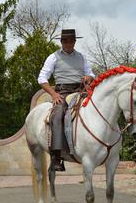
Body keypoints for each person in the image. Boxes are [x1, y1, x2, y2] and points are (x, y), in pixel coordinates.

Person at [37, 29, 94, 171]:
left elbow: (90, 73)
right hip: (62, 92)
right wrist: (53, 94)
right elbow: (42, 79)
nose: (69, 43)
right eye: (66, 41)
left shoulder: (81, 57)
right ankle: (56, 157)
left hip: (81, 91)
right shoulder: (54, 57)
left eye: (71, 40)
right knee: (57, 115)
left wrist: (89, 77)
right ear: (61, 42)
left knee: (99, 108)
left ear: (74, 41)